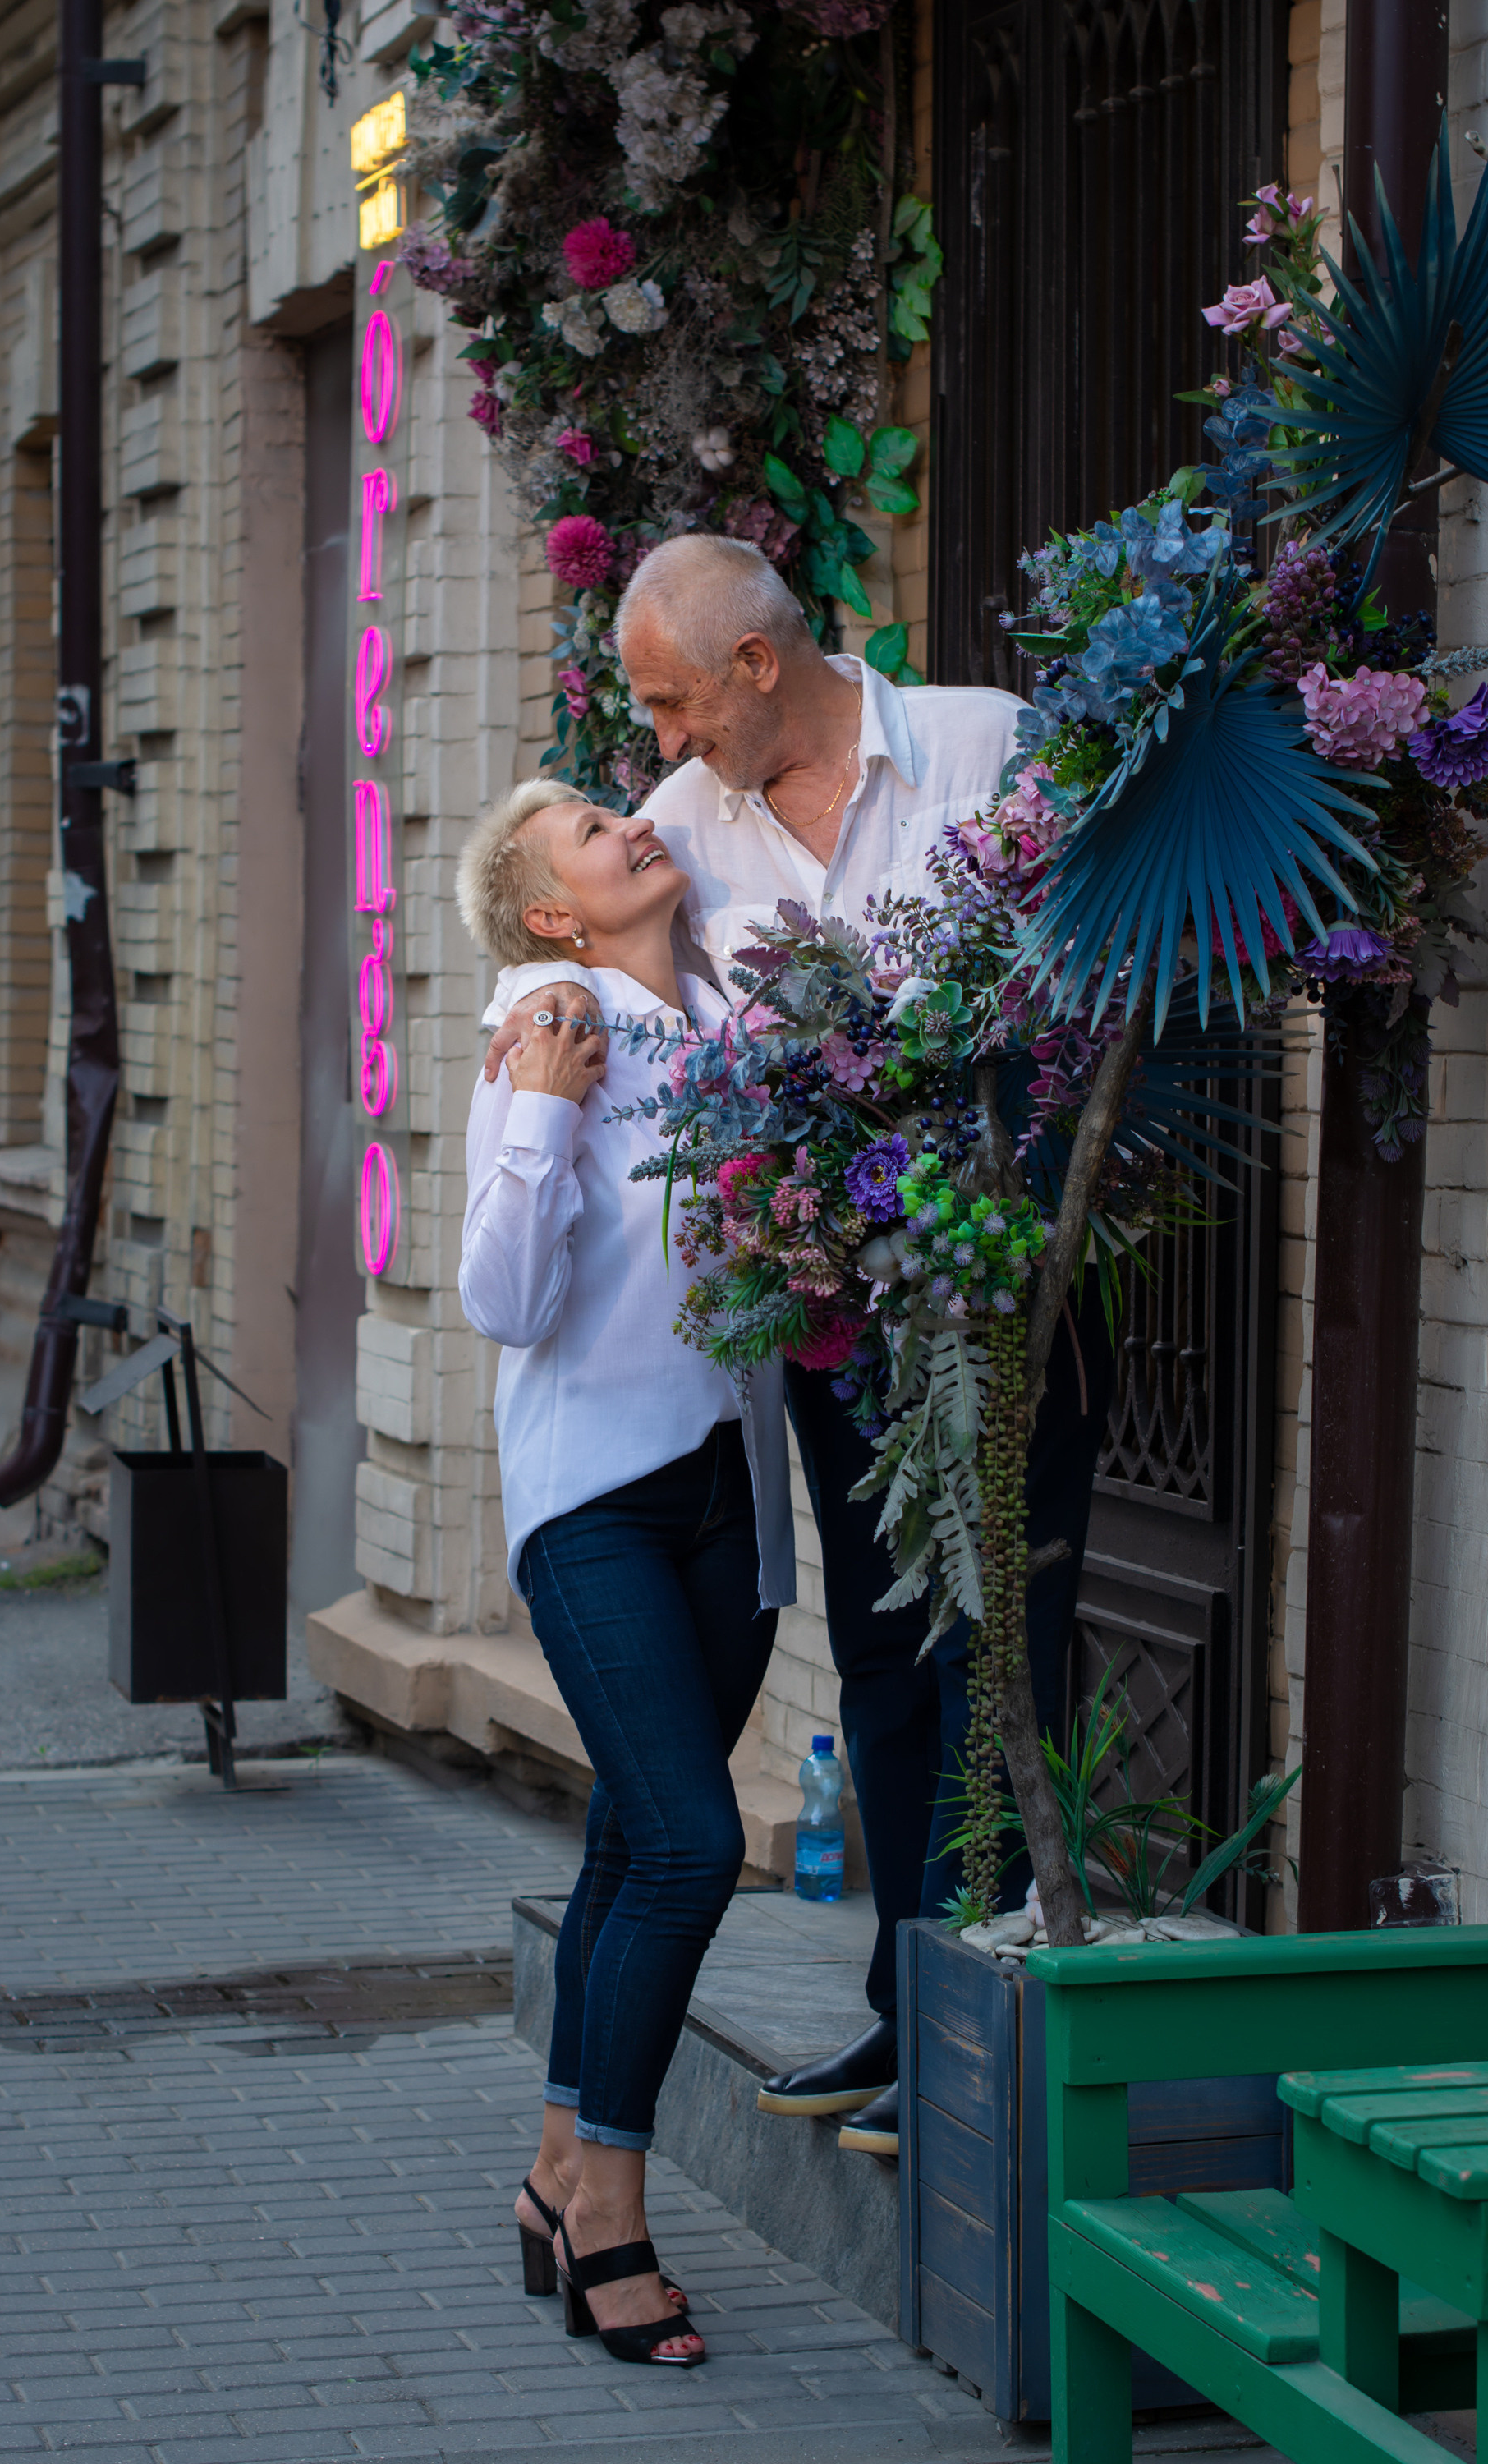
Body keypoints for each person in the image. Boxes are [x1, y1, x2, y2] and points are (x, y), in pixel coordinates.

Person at [482, 536, 1117, 2157]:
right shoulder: (682, 830)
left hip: (1011, 1292)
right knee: (891, 1664)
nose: (662, 740)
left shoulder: (984, 744)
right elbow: (585, 969)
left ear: (758, 664)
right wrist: (528, 1029)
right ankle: (912, 2009)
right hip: (843, 1319)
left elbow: (1105, 959)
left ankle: (993, 2021)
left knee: (1005, 1652)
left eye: (675, 701)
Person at [457, 779, 793, 2363]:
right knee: (689, 1845)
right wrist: (540, 1108)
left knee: (627, 1838)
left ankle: (549, 2171)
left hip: (732, 1495)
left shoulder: (726, 1018)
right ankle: (609, 2210)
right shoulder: (552, 1022)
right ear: (551, 915)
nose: (631, 825)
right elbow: (503, 1304)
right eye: (592, 831)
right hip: (594, 1501)